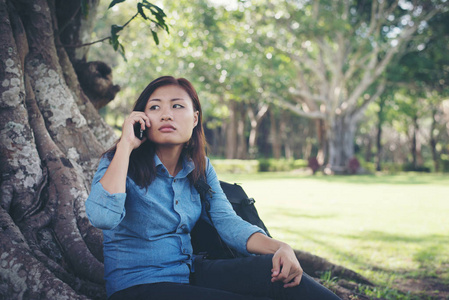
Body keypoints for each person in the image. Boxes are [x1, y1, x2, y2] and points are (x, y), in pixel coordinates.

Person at [86, 76, 341, 300]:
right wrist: (126, 146)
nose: (166, 114)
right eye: (154, 107)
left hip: (190, 274)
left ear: (195, 118)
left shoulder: (199, 166)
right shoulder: (119, 162)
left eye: (177, 106)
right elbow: (103, 217)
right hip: (139, 287)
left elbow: (228, 223)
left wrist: (281, 247)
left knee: (273, 274)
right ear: (142, 119)